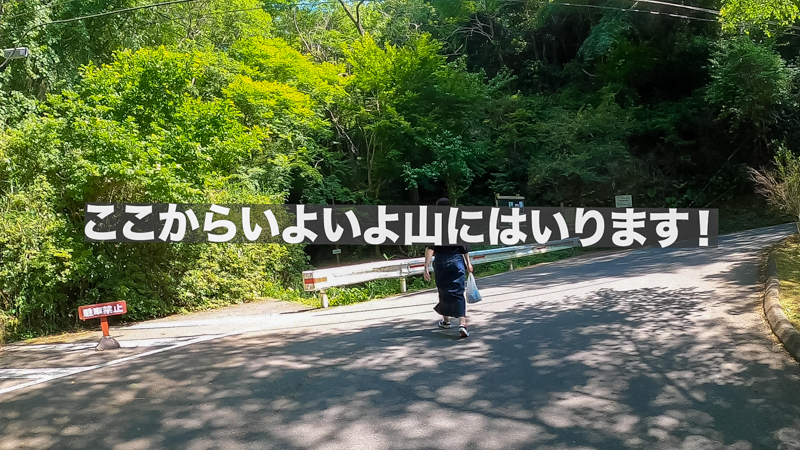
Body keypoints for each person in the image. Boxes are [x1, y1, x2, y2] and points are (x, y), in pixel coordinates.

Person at [423, 197, 474, 338]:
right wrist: (468, 263)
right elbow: (464, 247)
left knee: (443, 291)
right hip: (456, 260)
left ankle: (446, 321)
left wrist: (426, 266)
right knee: (458, 291)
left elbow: (430, 248)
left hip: (440, 261)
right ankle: (462, 324)